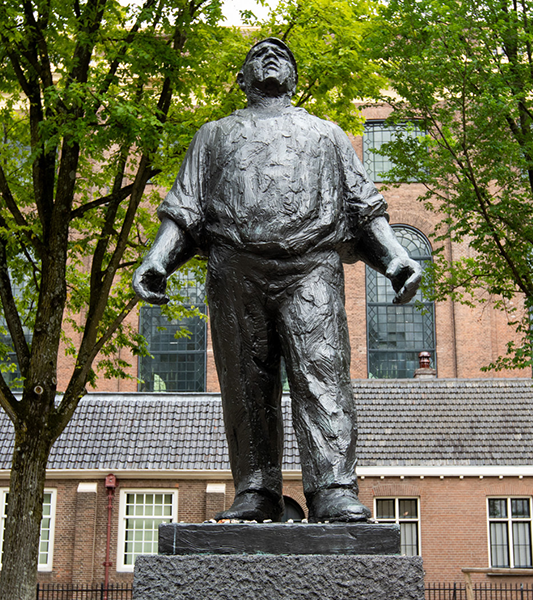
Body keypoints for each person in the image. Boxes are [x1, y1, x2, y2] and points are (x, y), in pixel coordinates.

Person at [133, 38, 421, 523]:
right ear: (242, 79)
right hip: (235, 271)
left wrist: (396, 258)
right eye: (258, 55)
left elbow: (363, 207)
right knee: (245, 386)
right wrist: (156, 259)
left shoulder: (327, 135)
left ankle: (333, 488)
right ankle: (255, 490)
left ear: (293, 77)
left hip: (311, 267)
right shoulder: (213, 136)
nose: (270, 57)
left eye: (282, 55)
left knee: (322, 374)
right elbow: (184, 209)